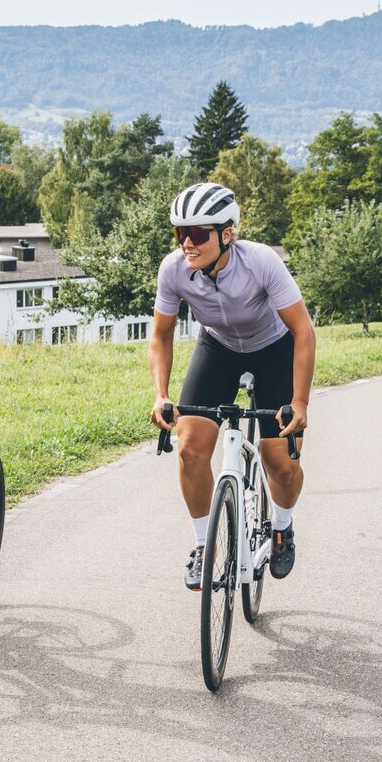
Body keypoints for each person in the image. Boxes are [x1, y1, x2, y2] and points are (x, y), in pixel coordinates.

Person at [147, 181, 315, 590]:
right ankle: (206, 546)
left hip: (273, 348)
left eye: (198, 233)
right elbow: (161, 335)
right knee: (188, 449)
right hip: (218, 348)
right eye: (180, 233)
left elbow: (304, 332)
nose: (187, 243)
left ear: (226, 234)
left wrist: (299, 402)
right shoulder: (173, 270)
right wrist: (161, 394)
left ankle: (281, 526)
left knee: (281, 461)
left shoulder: (260, 262)